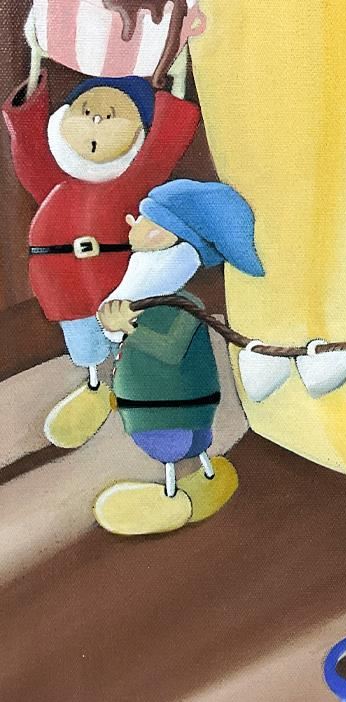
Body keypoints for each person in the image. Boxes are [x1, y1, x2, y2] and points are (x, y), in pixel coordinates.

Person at [3, 70, 200, 449]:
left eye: (112, 115)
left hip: (112, 279)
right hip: (63, 288)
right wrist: (28, 104)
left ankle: (136, 391)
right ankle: (95, 388)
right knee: (85, 345)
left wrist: (173, 101)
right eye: (86, 110)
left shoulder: (134, 181)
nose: (96, 120)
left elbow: (162, 149)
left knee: (127, 339)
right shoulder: (53, 179)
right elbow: (29, 156)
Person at [95, 179, 264, 536]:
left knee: (172, 447)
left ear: (162, 235)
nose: (131, 223)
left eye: (144, 219)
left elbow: (169, 350)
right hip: (165, 406)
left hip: (170, 410)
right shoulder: (145, 299)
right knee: (184, 443)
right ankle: (205, 472)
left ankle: (170, 496)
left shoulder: (184, 306)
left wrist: (127, 329)